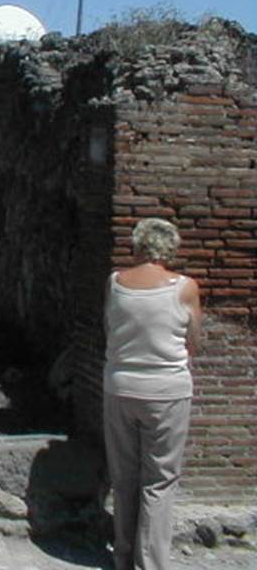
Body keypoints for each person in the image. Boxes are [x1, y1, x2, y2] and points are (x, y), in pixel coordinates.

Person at [103, 217, 203, 570]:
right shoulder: (185, 288)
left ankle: (123, 556)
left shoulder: (115, 283)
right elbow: (194, 341)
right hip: (167, 391)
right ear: (170, 248)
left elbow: (109, 330)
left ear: (137, 245)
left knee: (125, 476)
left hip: (120, 387)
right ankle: (152, 564)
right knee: (159, 481)